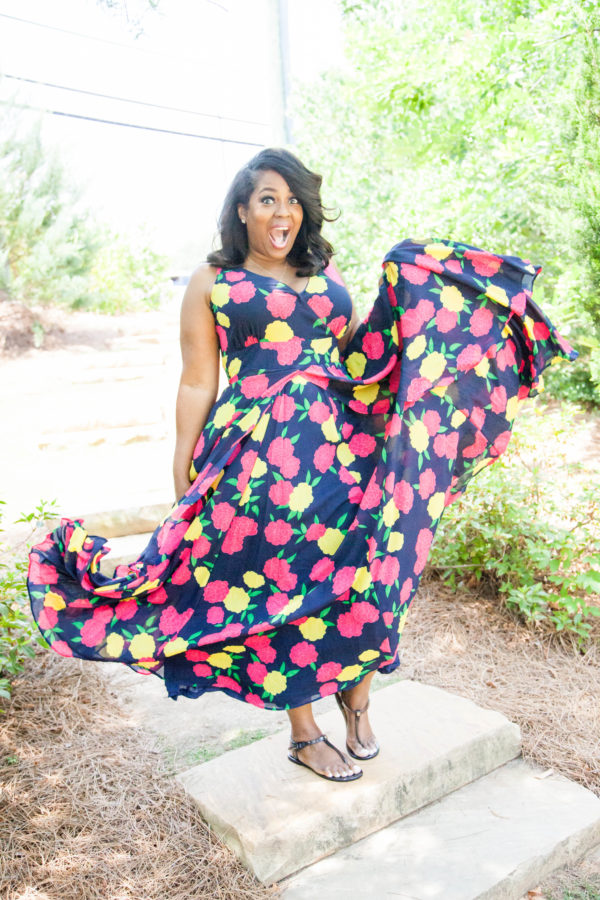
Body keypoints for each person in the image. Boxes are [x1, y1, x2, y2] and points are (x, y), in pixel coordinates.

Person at [28, 147, 576, 784]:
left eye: (292, 200)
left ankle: (357, 696)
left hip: (346, 447)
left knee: (368, 568)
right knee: (280, 588)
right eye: (268, 199)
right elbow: (197, 380)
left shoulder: (323, 269)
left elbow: (353, 355)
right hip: (258, 457)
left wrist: (406, 296)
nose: (282, 211)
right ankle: (304, 732)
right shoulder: (212, 281)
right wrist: (182, 465)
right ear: (242, 209)